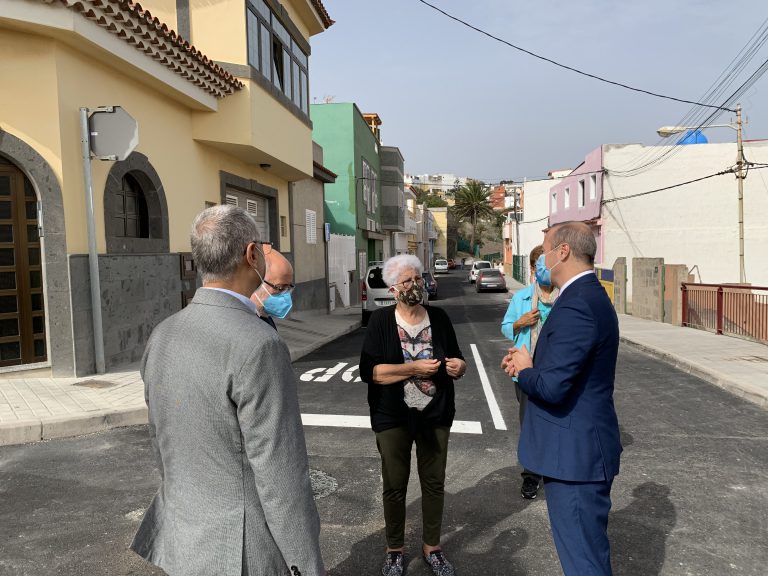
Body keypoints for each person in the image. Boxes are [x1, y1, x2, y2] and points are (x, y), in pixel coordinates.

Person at [131, 205, 326, 576]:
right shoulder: (260, 343)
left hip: (182, 538)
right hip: (242, 549)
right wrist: (305, 565)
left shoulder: (163, 334)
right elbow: (280, 473)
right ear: (252, 255)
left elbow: (161, 439)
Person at [501, 221, 622, 576]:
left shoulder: (577, 304)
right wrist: (526, 363)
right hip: (576, 454)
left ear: (563, 252)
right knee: (585, 556)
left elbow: (554, 387)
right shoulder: (586, 296)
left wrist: (525, 369)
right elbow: (567, 369)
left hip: (574, 458)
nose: (541, 262)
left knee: (583, 563)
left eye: (545, 252)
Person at [359, 254, 466, 576]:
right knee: (395, 485)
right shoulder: (380, 321)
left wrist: (459, 366)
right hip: (392, 415)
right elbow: (371, 372)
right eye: (407, 281)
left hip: (435, 413)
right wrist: (412, 368)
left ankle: (432, 547)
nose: (414, 285)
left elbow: (457, 358)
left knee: (434, 483)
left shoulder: (439, 317)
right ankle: (394, 550)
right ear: (393, 289)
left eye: (417, 278)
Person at [500, 244, 558, 499]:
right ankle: (531, 476)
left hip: (555, 371)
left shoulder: (565, 298)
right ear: (533, 269)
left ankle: (556, 470)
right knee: (531, 424)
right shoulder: (521, 298)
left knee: (556, 421)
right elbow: (505, 327)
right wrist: (520, 322)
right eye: (541, 266)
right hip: (525, 371)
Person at [250, 243, 296, 330]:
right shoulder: (242, 322)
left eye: (288, 288)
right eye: (280, 288)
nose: (285, 295)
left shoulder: (265, 317)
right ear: (257, 280)